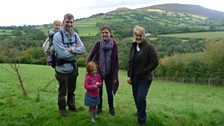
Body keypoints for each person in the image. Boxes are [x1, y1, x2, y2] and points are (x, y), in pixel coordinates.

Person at [53, 13, 85, 117]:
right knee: (62, 91)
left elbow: (83, 49)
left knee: (72, 89)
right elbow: (62, 53)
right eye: (67, 21)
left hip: (73, 68)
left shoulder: (75, 35)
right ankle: (62, 108)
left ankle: (72, 106)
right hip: (62, 68)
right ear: (63, 22)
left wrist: (71, 49)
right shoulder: (57, 36)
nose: (69, 24)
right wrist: (75, 52)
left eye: (71, 22)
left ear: (73, 23)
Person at [127, 25, 159, 126]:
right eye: (136, 35)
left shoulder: (149, 47)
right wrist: (129, 76)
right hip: (134, 78)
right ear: (134, 35)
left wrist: (144, 70)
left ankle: (142, 121)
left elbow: (155, 62)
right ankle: (139, 111)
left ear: (143, 36)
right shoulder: (133, 46)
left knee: (141, 98)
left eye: (140, 35)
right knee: (136, 98)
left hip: (145, 78)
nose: (138, 37)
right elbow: (130, 62)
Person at [87, 25, 119, 116]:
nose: (105, 34)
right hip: (98, 73)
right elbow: (90, 56)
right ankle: (99, 108)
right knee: (99, 91)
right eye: (103, 33)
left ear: (110, 34)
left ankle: (111, 108)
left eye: (106, 33)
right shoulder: (98, 43)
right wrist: (89, 69)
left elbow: (116, 61)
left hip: (110, 73)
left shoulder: (114, 44)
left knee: (110, 92)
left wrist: (115, 75)